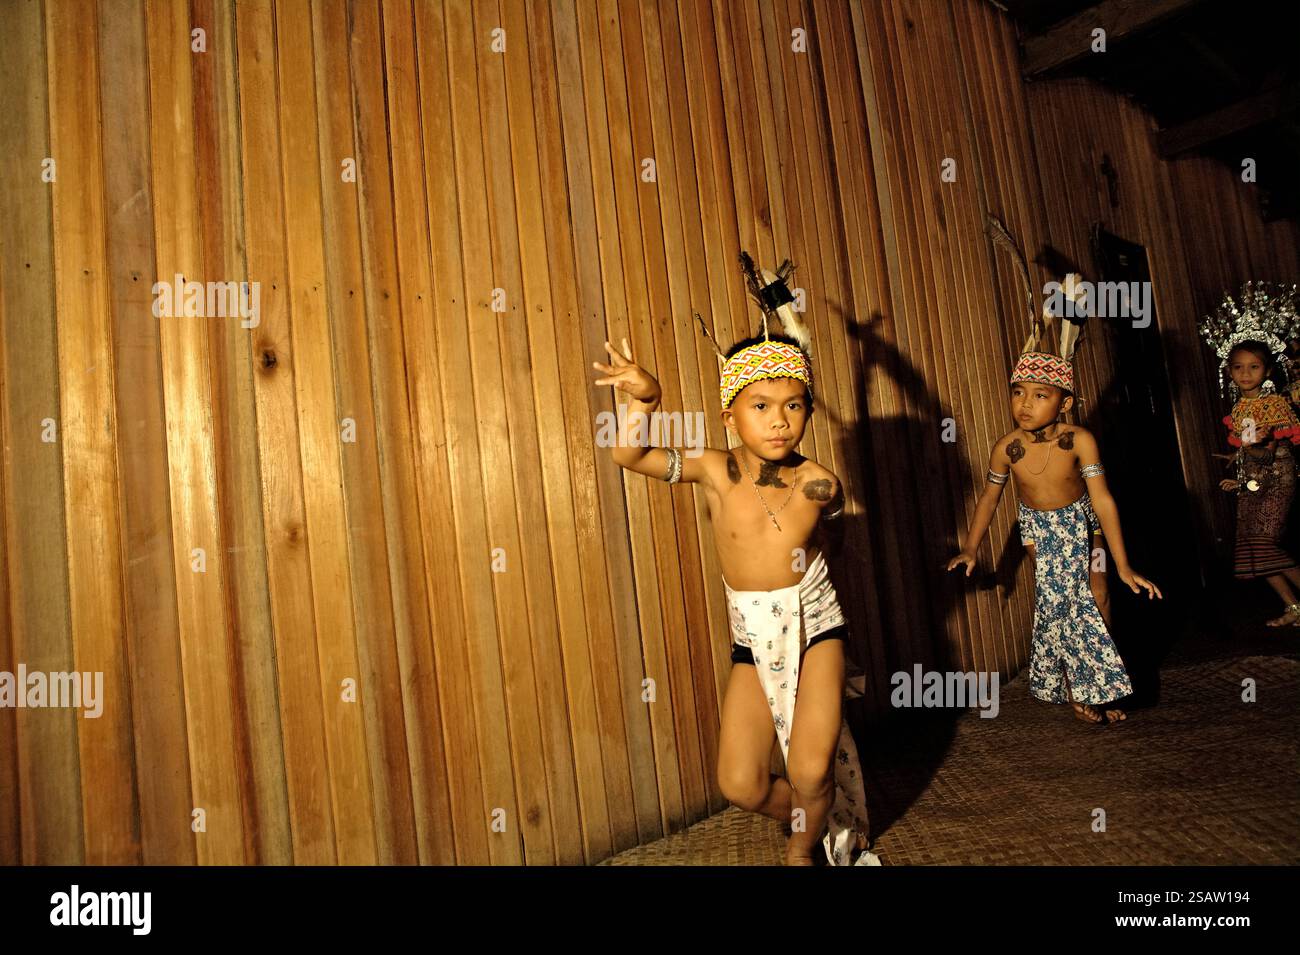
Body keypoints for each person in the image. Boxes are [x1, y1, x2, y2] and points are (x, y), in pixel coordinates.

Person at [592, 332, 878, 865]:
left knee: (810, 768)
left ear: (809, 412)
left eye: (793, 405)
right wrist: (645, 400)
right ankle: (815, 811)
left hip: (816, 629)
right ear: (729, 418)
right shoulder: (716, 471)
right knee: (741, 784)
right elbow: (628, 453)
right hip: (751, 637)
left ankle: (799, 849)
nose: (778, 420)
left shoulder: (821, 485)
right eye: (761, 405)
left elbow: (834, 544)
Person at [946, 351, 1162, 724]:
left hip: (1084, 523)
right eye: (1018, 392)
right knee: (1061, 605)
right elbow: (989, 498)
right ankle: (1078, 690)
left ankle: (1099, 686)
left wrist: (1123, 565)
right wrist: (970, 548)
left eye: (1040, 394)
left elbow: (1103, 500)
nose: (1025, 403)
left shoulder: (1079, 440)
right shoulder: (1006, 449)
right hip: (1038, 530)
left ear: (1065, 404)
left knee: (1099, 595)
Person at [1216, 342, 1300, 625]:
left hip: (1276, 481)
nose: (1246, 373)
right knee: (1252, 546)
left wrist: (1249, 448)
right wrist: (1239, 475)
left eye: (1254, 367)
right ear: (1229, 371)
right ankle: (1294, 609)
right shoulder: (1242, 408)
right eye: (1238, 367)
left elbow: (1266, 456)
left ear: (1267, 370)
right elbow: (1251, 453)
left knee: (1264, 544)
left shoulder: (1271, 405)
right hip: (1255, 482)